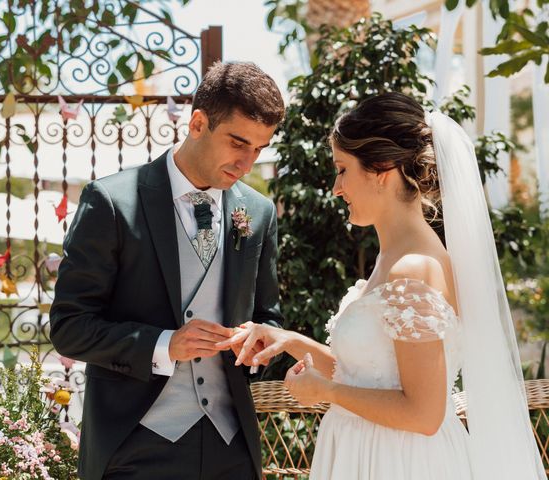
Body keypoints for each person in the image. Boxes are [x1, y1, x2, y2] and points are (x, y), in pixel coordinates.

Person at [219, 92, 546, 479]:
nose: (336, 188)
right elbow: (373, 374)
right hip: (369, 451)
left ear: (382, 170)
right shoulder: (394, 258)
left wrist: (325, 392)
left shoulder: (414, 269)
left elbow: (423, 413)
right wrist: (291, 341)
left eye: (342, 169)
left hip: (399, 462)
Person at [49, 61, 285, 480]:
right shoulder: (112, 202)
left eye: (259, 149)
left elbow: (269, 317)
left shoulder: (259, 212)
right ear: (197, 123)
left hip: (231, 448)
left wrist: (256, 341)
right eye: (237, 143)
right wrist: (164, 345)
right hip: (134, 446)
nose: (247, 163)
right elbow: (70, 326)